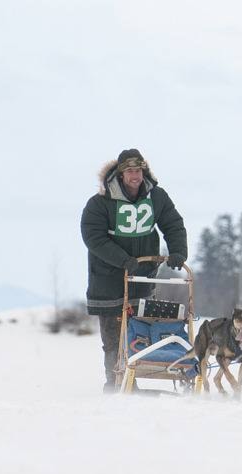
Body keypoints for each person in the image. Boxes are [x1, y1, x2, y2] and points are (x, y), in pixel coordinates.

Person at [81, 148, 188, 392]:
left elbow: (173, 224)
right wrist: (122, 259)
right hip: (107, 279)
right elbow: (93, 237)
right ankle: (115, 381)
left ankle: (134, 377)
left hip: (142, 276)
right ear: (120, 174)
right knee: (112, 335)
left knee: (138, 329)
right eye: (129, 171)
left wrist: (178, 252)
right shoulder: (100, 203)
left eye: (138, 170)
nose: (135, 175)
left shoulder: (156, 197)